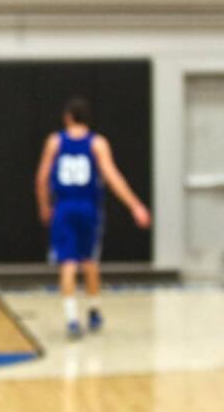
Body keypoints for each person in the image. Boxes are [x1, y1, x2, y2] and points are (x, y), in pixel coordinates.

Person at [34, 96, 151, 339]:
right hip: (89, 208)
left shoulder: (55, 142)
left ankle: (72, 319)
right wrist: (135, 205)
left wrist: (44, 205)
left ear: (68, 117)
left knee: (67, 262)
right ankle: (94, 309)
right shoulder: (97, 143)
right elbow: (112, 177)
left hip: (64, 207)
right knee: (89, 260)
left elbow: (41, 178)